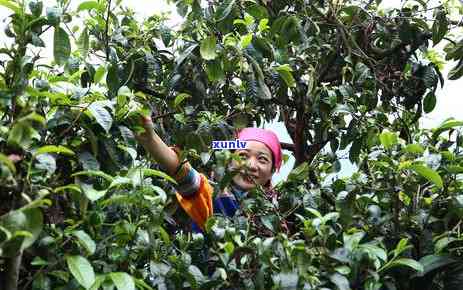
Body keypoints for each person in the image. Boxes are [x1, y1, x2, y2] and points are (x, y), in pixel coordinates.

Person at [135, 116, 282, 231]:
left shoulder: (280, 211)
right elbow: (184, 173)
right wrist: (151, 139)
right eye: (243, 156)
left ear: (272, 171)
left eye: (262, 159)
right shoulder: (210, 195)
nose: (251, 165)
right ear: (229, 160)